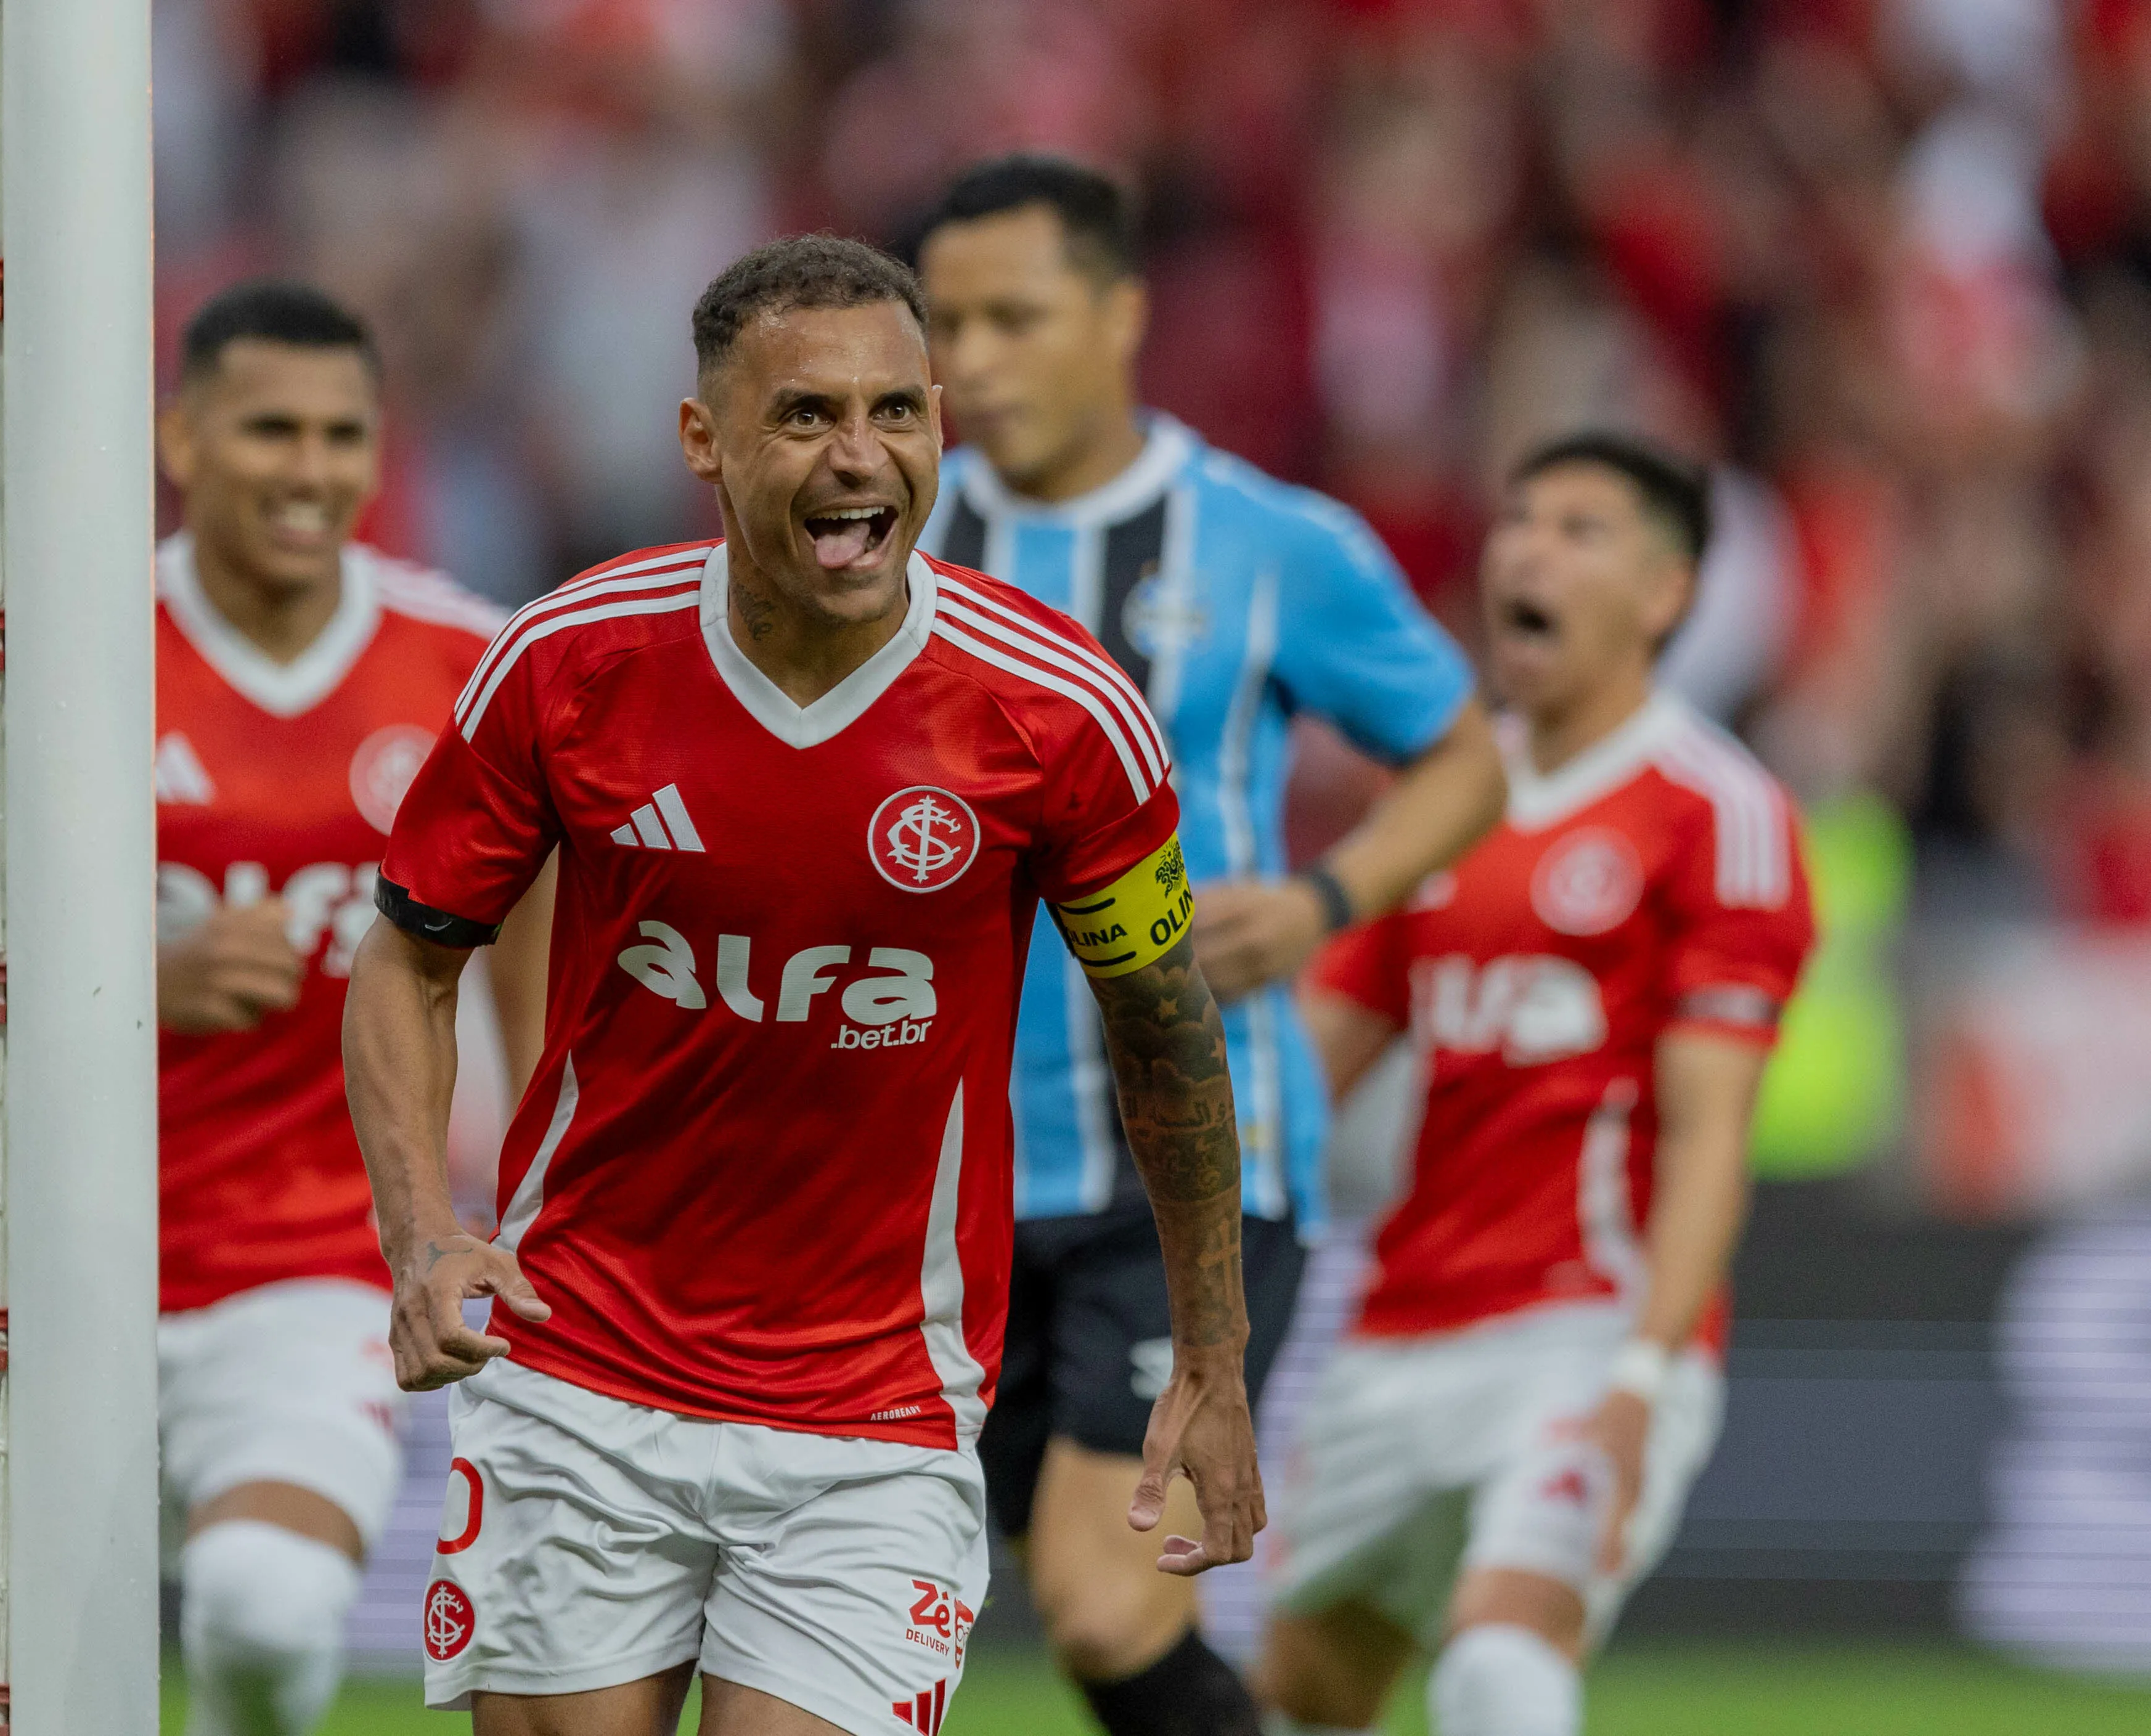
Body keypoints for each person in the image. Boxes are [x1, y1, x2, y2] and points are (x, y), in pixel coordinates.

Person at [341, 234, 1260, 1736]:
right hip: (579, 1371)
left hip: (876, 1411)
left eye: (896, 412)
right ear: (704, 440)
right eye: (807, 416)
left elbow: (1168, 1036)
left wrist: (1212, 1353)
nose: (861, 457)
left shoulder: (1061, 712)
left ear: (941, 427)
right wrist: (423, 1235)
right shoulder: (569, 664)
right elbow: (407, 960)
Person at [0, 282, 550, 1736]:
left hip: (316, 1260)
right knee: (21, 1701)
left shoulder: (468, 663)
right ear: (181, 437)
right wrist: (138, 985)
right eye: (269, 429)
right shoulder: (66, 653)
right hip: (66, 1266)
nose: (309, 469)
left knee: (267, 1609)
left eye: (341, 434)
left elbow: (545, 960)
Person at [911, 154, 1505, 1736]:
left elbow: (1464, 757)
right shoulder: (886, 549)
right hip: (922, 1172)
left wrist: (1323, 899)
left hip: (1186, 1166)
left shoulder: (1266, 541)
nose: (970, 361)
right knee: (893, 1605)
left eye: (1015, 317)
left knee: (1111, 1603)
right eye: (946, 322)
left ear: (1119, 316)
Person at [1253, 433, 1817, 1736]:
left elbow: (1706, 1138)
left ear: (1666, 595)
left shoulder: (1712, 809)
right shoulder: (1448, 795)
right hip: (1398, 1333)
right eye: (1518, 521)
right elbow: (1307, 1066)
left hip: (1584, 1329)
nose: (1528, 550)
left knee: (1499, 1669)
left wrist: (1643, 1375)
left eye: (1580, 529)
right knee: (1290, 1704)